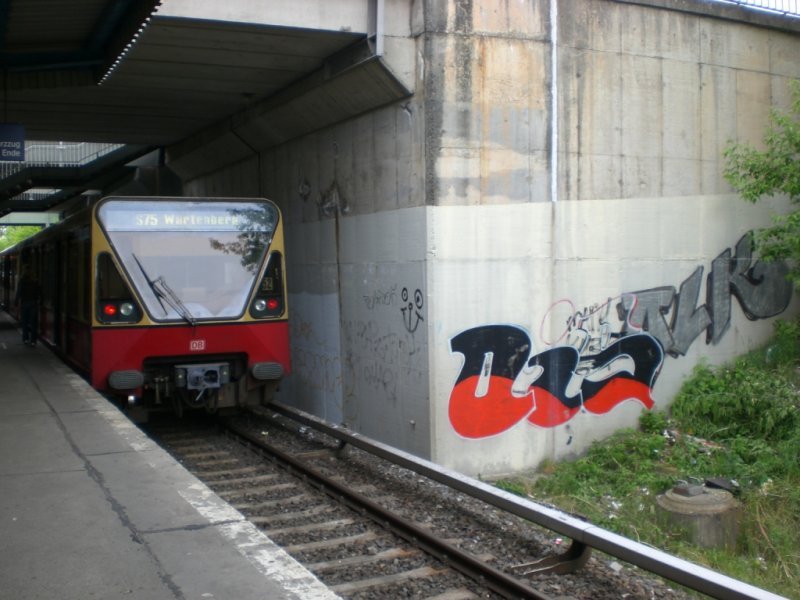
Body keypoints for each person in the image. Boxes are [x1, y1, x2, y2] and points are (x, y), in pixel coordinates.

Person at [15, 267, 41, 346]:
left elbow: (19, 293)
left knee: (25, 323)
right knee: (33, 323)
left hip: (24, 304)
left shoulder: (22, 282)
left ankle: (25, 339)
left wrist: (16, 303)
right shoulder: (35, 282)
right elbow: (40, 292)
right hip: (33, 304)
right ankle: (33, 341)